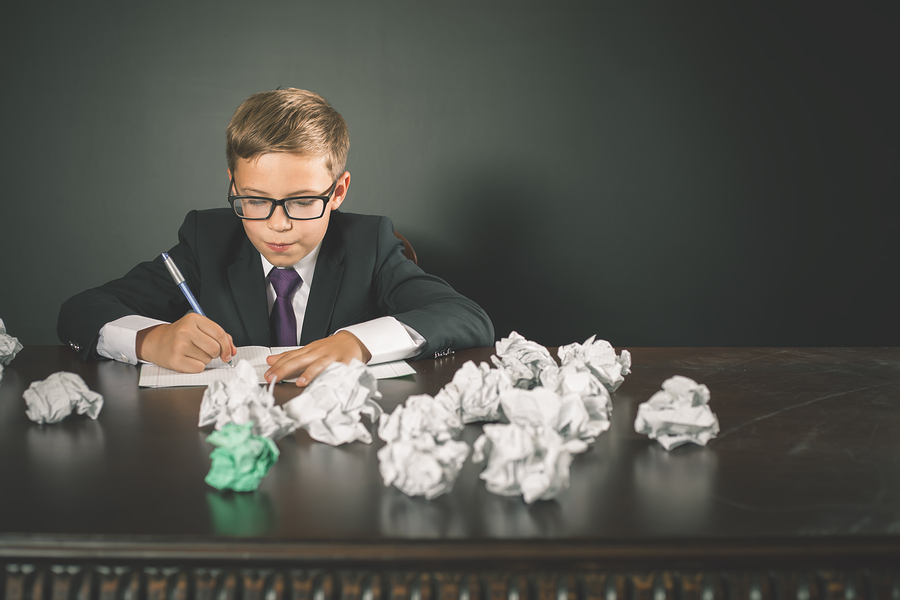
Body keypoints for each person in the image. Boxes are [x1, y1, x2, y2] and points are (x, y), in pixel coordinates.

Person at [58, 88, 494, 386]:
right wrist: (149, 340)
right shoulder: (206, 240)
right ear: (233, 185)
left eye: (303, 201)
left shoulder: (370, 244)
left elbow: (464, 316)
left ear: (338, 191)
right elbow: (81, 310)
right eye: (255, 200)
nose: (278, 225)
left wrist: (357, 342)